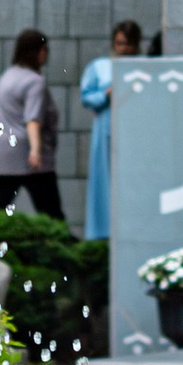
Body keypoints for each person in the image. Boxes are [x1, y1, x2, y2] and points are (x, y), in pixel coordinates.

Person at [77, 19, 145, 243]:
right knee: (104, 180)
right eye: (119, 43)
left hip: (138, 133)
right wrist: (105, 95)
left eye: (128, 44)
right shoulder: (99, 66)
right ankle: (102, 232)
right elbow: (86, 97)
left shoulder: (144, 67)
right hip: (106, 131)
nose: (123, 48)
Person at [0, 27, 61, 216]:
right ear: (41, 51)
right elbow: (33, 120)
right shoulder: (35, 81)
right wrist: (36, 150)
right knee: (52, 214)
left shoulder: (7, 76)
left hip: (1, 154)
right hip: (29, 158)